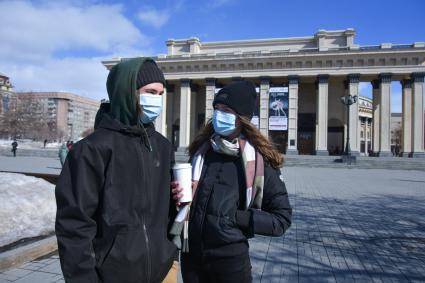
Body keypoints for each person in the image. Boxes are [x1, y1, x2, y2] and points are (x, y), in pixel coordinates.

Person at [55, 57, 177, 283]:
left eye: (161, 94)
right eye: (150, 92)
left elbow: (163, 212)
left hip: (163, 272)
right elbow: (74, 226)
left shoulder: (163, 146)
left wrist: (179, 196)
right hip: (113, 275)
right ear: (127, 92)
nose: (157, 100)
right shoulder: (91, 150)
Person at [170, 81, 292, 282]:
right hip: (192, 257)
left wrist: (236, 219)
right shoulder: (202, 152)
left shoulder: (260, 162)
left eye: (226, 110)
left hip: (230, 262)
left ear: (242, 118)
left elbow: (282, 219)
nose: (219, 115)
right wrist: (180, 195)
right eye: (216, 109)